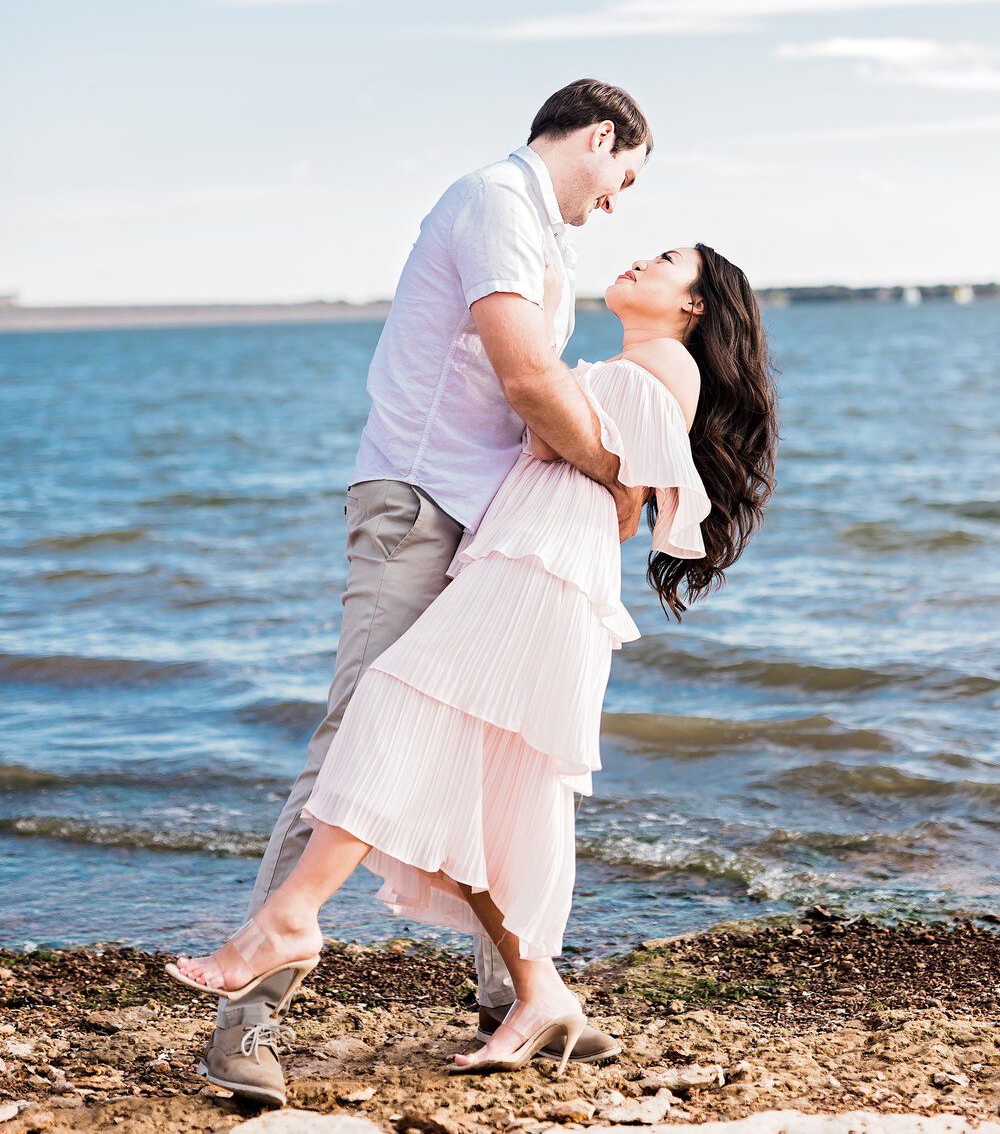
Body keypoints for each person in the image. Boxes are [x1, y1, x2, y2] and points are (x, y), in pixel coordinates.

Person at [169, 242, 779, 1079]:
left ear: (696, 306)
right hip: (534, 561)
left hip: (544, 569)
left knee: (392, 706)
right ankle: (540, 994)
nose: (640, 258)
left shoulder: (665, 362)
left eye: (666, 259)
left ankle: (290, 919)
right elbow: (585, 460)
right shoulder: (636, 365)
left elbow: (556, 444)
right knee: (489, 789)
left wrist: (563, 397)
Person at [195, 79, 653, 1106]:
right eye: (624, 175)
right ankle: (244, 1023)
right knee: (357, 736)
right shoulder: (495, 199)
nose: (617, 202)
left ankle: (517, 991)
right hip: (421, 503)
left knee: (496, 740)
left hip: (478, 515)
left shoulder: (538, 227)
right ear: (600, 134)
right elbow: (528, 381)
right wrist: (618, 478)